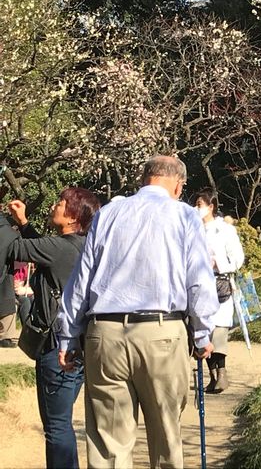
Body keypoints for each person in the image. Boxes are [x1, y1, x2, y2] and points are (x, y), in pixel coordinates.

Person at [57, 156, 219, 469]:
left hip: (105, 334)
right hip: (162, 333)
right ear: (178, 185)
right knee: (166, 437)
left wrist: (68, 336)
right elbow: (198, 281)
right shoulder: (185, 216)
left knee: (108, 444)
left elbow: (82, 279)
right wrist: (202, 335)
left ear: (143, 180)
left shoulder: (108, 214)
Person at [0, 188, 101, 469]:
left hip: (56, 347)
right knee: (62, 421)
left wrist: (3, 222)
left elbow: (15, 249)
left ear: (74, 217)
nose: (54, 206)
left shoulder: (59, 247)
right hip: (78, 341)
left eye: (61, 203)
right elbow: (43, 250)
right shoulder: (80, 246)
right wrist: (23, 223)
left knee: (56, 426)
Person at [190, 188, 245, 393]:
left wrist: (218, 263)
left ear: (211, 207)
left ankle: (221, 373)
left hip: (220, 284)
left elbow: (237, 259)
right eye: (195, 204)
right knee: (202, 331)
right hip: (197, 286)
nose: (197, 209)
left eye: (200, 205)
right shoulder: (192, 228)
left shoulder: (225, 230)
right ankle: (213, 376)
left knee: (218, 331)